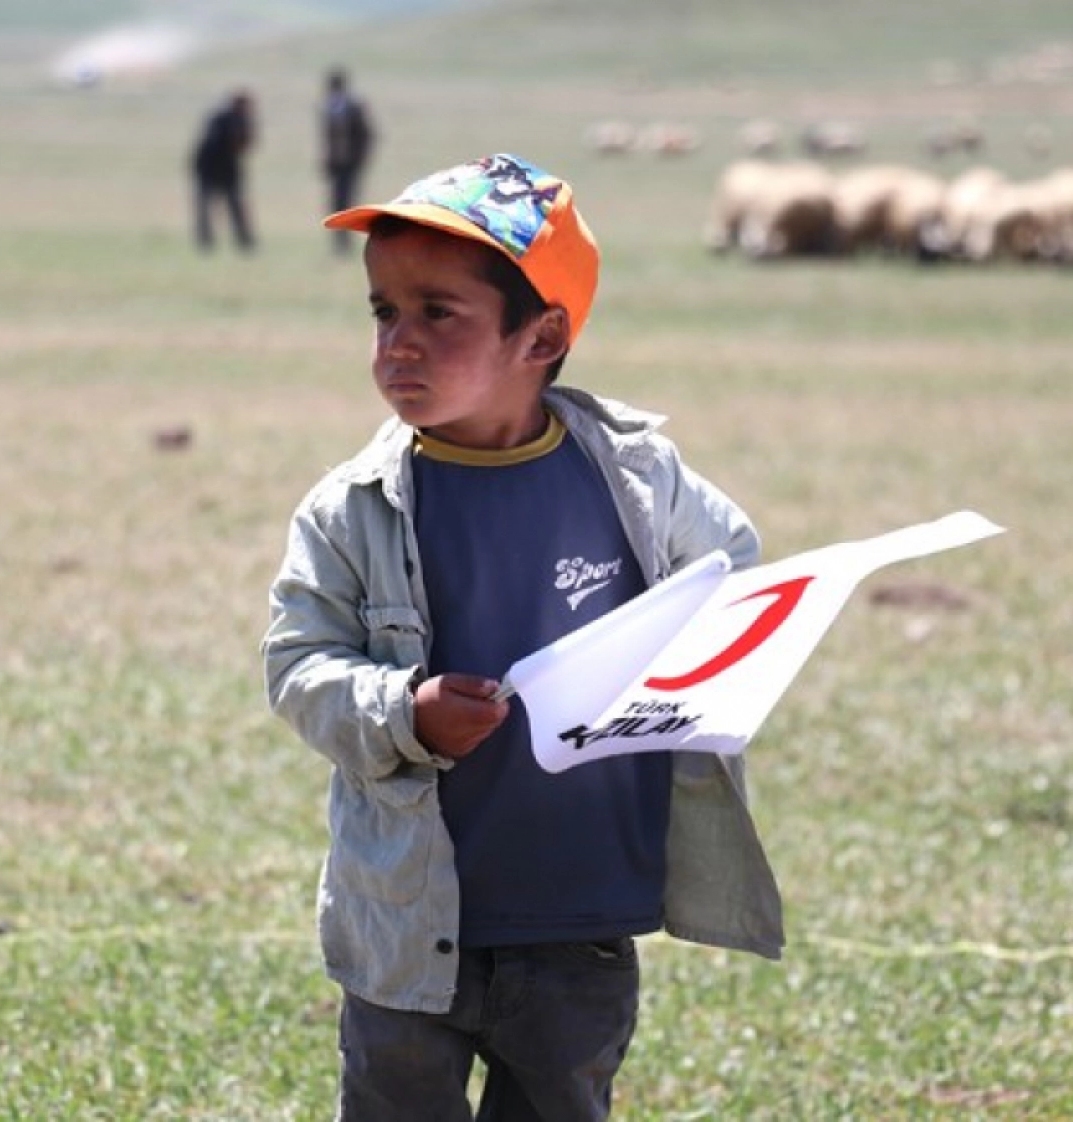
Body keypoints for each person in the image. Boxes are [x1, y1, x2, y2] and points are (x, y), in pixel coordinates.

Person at [261, 153, 784, 1121]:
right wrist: (402, 712)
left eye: (436, 313)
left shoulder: (635, 481)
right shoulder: (351, 509)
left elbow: (735, 581)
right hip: (407, 925)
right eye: (382, 313)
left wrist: (681, 679)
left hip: (578, 919)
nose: (397, 345)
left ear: (540, 334)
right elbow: (296, 666)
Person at [189, 89, 256, 252]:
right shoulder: (221, 120)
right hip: (210, 168)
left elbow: (245, 146)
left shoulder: (243, 121)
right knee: (205, 207)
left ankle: (244, 242)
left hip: (228, 170)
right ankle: (206, 243)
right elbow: (217, 146)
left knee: (236, 206)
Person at [320, 68, 376, 255]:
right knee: (335, 202)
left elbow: (367, 134)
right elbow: (327, 137)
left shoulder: (353, 106)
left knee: (347, 202)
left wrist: (360, 158)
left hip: (351, 162)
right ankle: (339, 242)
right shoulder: (329, 107)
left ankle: (346, 242)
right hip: (336, 164)